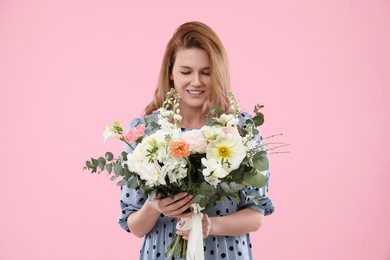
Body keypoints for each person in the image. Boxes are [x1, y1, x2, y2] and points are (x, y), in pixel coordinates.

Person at [118, 21, 275, 260]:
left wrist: (210, 226)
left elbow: (256, 214)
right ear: (170, 73)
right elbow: (135, 226)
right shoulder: (145, 132)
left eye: (206, 72)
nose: (196, 81)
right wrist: (154, 207)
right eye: (186, 71)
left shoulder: (240, 129)